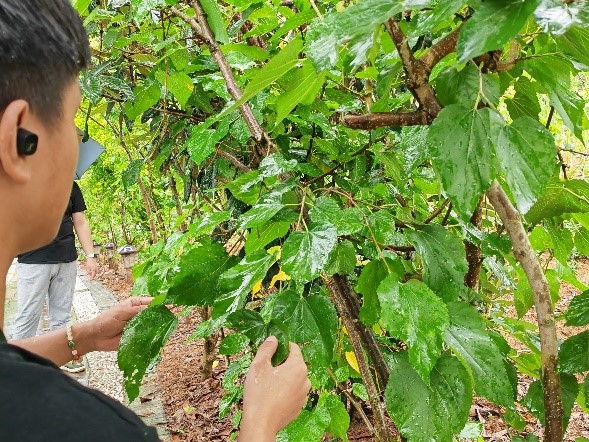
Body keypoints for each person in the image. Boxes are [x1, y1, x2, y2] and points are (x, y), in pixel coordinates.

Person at [0, 1, 311, 441]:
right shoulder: (87, 428)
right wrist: (260, 423)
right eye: (71, 122)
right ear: (19, 140)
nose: (78, 148)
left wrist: (82, 337)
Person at [12, 180, 98, 373]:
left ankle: (61, 358)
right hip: (33, 261)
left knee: (61, 316)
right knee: (28, 315)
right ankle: (16, 365)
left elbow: (80, 222)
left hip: (66, 260)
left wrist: (90, 256)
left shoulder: (70, 185)